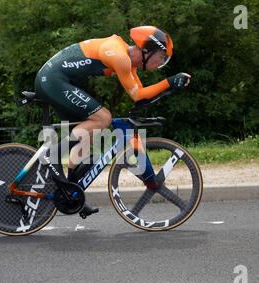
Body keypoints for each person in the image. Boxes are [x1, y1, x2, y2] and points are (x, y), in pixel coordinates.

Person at [35, 26, 191, 216]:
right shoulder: (120, 56)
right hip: (52, 79)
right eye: (162, 56)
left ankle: (72, 193)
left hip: (60, 81)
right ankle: (54, 154)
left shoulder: (128, 62)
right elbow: (138, 96)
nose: (161, 62)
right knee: (103, 117)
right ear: (146, 51)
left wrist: (170, 86)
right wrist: (170, 81)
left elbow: (141, 95)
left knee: (87, 136)